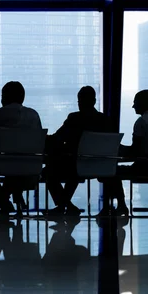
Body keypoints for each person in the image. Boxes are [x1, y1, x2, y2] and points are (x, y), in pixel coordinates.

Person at [0, 81, 42, 216]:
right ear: (23, 97)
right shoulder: (34, 115)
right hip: (30, 167)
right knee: (14, 171)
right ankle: (4, 202)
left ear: (4, 97)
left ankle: (2, 203)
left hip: (4, 164)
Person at [45, 86, 111, 216]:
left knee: (48, 172)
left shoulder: (75, 118)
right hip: (100, 166)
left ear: (80, 101)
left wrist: (42, 138)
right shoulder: (104, 120)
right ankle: (66, 206)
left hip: (76, 165)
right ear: (94, 101)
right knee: (72, 170)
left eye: (79, 101)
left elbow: (58, 137)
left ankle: (64, 206)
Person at [102, 89, 148, 216]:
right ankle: (118, 206)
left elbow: (136, 150)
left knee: (110, 172)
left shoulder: (141, 123)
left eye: (135, 102)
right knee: (111, 172)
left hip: (142, 166)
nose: (133, 105)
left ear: (142, 103)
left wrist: (118, 148)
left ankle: (119, 206)